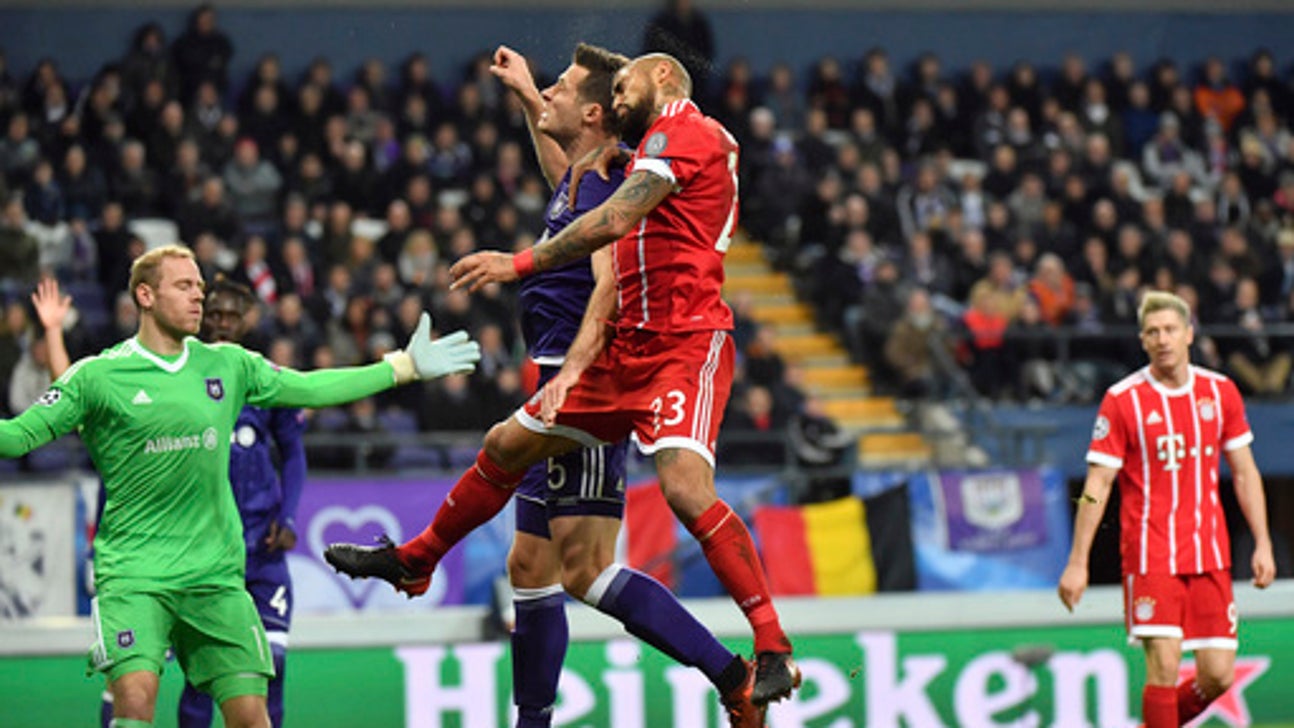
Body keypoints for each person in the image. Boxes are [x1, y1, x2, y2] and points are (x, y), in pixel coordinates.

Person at [327, 52, 800, 707]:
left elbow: (606, 236)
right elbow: (583, 190)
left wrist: (518, 266)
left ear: (656, 80)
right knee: (506, 457)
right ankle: (417, 559)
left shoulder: (683, 135)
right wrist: (533, 97)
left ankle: (763, 654)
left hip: (678, 346)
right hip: (622, 358)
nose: (615, 92)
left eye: (619, 84)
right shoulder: (618, 164)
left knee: (650, 517)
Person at [0, 245, 479, 728]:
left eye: (200, 289)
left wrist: (400, 367)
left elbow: (311, 387)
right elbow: (18, 437)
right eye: (184, 286)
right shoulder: (98, 377)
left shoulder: (228, 365)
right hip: (134, 577)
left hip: (214, 577)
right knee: (135, 704)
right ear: (145, 295)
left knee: (253, 717)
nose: (198, 299)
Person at [1058, 291, 1276, 728]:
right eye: (1153, 332)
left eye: (1170, 330)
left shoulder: (1221, 392)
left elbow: (1246, 473)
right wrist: (1077, 561)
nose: (1162, 339)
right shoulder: (1123, 400)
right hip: (1150, 552)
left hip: (1209, 552)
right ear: (1142, 340)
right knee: (1164, 665)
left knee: (1217, 675)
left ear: (1189, 334)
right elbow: (1097, 484)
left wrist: (1263, 543)